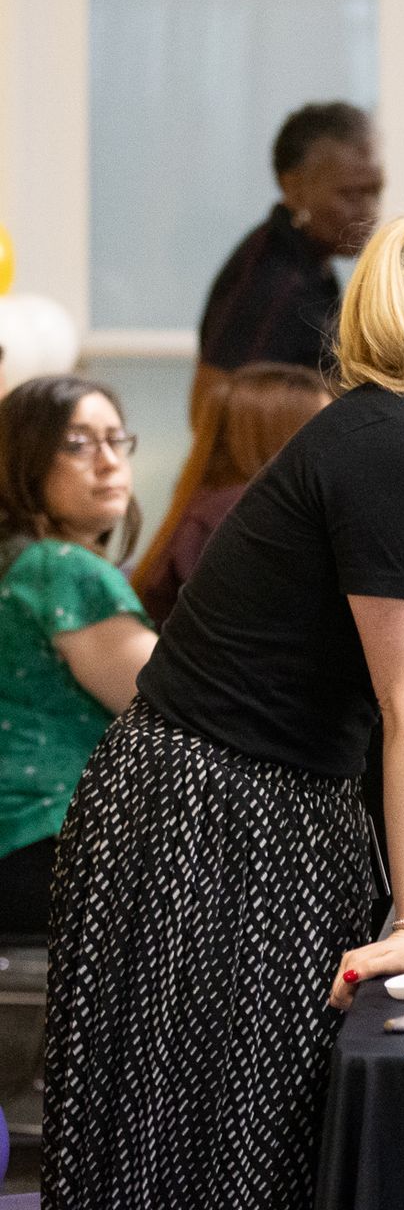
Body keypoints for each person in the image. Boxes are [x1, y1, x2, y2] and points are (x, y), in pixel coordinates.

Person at [42, 193, 404, 1207]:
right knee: (193, 1151)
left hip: (292, 807)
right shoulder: (397, 449)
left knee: (267, 1142)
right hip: (201, 811)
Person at [0, 375, 155, 1144]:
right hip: (45, 844)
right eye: (77, 443)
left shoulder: (28, 562)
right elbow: (167, 703)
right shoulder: (63, 570)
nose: (107, 461)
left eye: (114, 438)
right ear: (28, 462)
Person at [191, 101, 385, 417]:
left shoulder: (312, 262)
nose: (369, 211)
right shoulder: (270, 279)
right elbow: (207, 411)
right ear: (292, 188)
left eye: (375, 191)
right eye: (350, 194)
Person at [131, 363, 331, 625]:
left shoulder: (209, 507)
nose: (336, 444)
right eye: (323, 430)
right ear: (284, 437)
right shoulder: (242, 516)